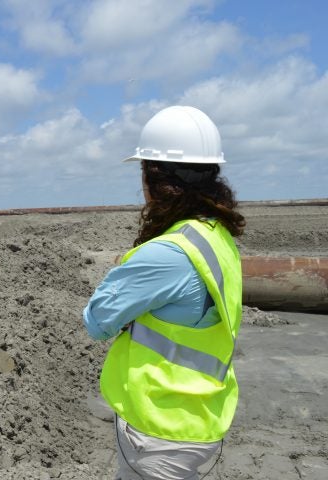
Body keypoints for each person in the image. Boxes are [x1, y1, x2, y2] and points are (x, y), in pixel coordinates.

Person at [83, 105, 245, 480]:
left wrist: (126, 270)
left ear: (153, 176)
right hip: (198, 414)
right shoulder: (214, 236)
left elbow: (97, 321)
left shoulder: (167, 254)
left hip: (159, 431)